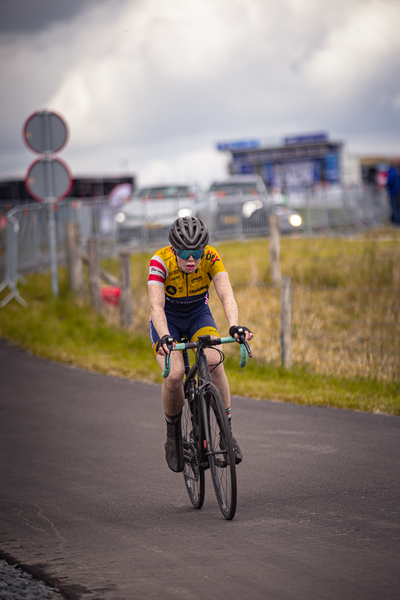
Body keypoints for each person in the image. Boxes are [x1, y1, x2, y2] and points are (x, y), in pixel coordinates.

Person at [148, 216, 254, 473]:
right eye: (185, 253)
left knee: (215, 362)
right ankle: (173, 436)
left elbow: (226, 292)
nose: (192, 259)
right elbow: (156, 307)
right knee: (174, 376)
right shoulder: (159, 262)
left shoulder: (211, 257)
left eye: (196, 252)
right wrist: (164, 337)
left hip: (198, 316)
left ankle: (226, 433)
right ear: (174, 250)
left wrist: (234, 326)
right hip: (168, 322)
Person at [386, 159, 400, 226]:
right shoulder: (397, 172)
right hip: (398, 192)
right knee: (397, 207)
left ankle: (397, 223)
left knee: (394, 208)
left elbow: (388, 182)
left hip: (393, 192)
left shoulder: (391, 172)